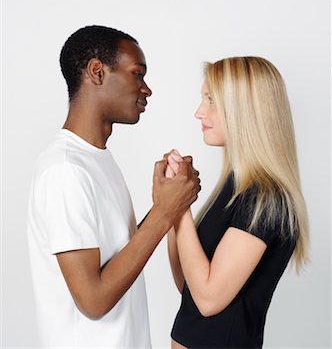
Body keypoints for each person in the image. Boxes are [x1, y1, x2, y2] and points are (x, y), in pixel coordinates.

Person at [27, 25, 201, 348]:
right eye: (138, 74)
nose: (146, 89)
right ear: (97, 72)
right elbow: (93, 300)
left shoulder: (95, 159)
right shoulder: (64, 169)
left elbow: (119, 257)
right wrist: (165, 212)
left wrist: (169, 203)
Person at [166, 56, 310, 349]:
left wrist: (179, 207)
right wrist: (171, 206)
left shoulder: (265, 198)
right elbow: (188, 287)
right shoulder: (235, 187)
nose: (198, 112)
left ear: (245, 109)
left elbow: (207, 300)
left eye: (211, 100)